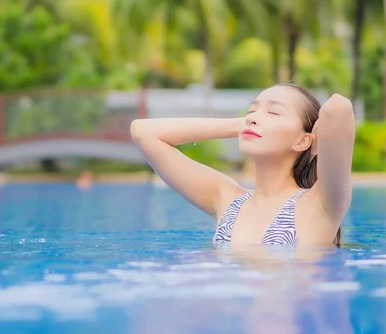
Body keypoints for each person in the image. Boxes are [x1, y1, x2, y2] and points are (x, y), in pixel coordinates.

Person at [130, 83, 355, 248]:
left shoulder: (320, 204)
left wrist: (315, 142)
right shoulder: (226, 199)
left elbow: (338, 109)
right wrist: (243, 124)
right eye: (252, 110)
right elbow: (142, 132)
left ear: (302, 141)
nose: (254, 117)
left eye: (274, 112)